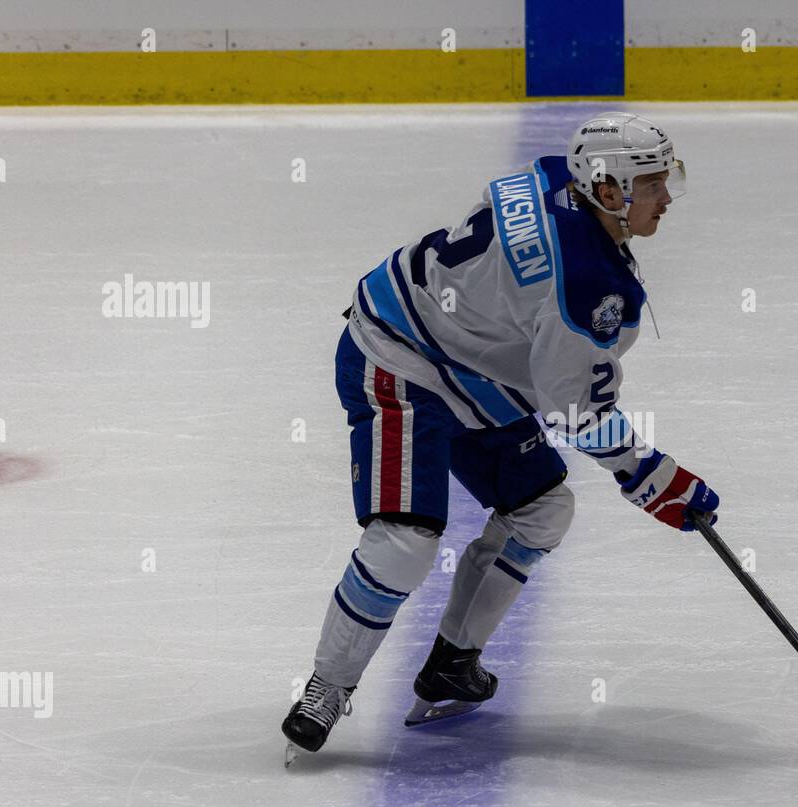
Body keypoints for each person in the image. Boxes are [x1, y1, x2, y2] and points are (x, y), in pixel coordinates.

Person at [282, 112, 720, 755]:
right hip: (396, 355)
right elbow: (576, 411)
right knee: (405, 543)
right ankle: (326, 686)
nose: (666, 197)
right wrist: (653, 477)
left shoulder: (552, 180)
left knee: (542, 510)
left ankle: (451, 662)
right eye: (651, 184)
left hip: (457, 356)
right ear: (605, 190)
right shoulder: (590, 284)